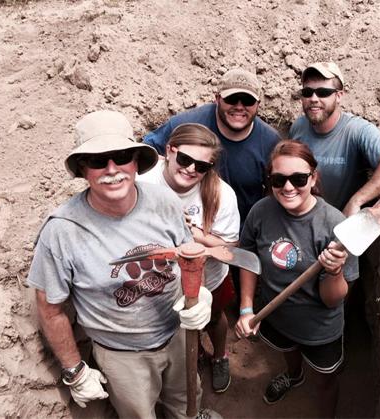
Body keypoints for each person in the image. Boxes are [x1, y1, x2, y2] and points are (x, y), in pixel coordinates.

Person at [27, 110, 218, 419]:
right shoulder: (62, 231)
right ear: (83, 170)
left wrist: (200, 295)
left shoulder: (164, 201)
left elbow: (188, 257)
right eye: (98, 161)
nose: (112, 170)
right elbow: (50, 308)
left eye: (121, 156)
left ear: (135, 162)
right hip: (123, 355)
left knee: (187, 402)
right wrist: (75, 370)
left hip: (178, 334)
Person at [235, 140, 359, 416]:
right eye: (279, 179)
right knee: (286, 349)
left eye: (298, 178)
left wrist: (334, 271)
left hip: (319, 329)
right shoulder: (261, 211)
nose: (288, 187)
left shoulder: (334, 225)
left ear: (313, 178)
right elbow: (247, 257)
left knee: (327, 379)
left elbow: (333, 299)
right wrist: (246, 308)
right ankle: (294, 375)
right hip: (275, 314)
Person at [138, 123, 240, 393]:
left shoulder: (221, 194)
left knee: (214, 317)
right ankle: (189, 359)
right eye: (184, 159)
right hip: (159, 277)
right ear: (170, 151)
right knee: (175, 325)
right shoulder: (143, 180)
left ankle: (219, 355)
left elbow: (230, 247)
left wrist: (193, 234)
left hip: (209, 277)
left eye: (202, 166)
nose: (191, 169)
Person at [143, 68, 280, 227]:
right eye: (232, 99)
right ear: (217, 99)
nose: (239, 106)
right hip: (180, 223)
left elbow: (276, 190)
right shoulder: (186, 124)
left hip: (237, 232)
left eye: (247, 101)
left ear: (258, 105)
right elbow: (146, 153)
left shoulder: (270, 142)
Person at [290, 61, 380, 216]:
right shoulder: (298, 127)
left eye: (323, 92)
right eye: (307, 92)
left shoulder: (355, 130)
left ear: (339, 95)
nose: (314, 98)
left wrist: (357, 200)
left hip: (339, 228)